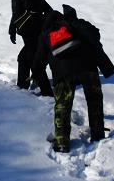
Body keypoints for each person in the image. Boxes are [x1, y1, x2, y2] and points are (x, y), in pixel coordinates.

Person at [31, 8, 107, 153]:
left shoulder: (46, 34)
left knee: (63, 106)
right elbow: (96, 34)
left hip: (63, 73)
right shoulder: (77, 25)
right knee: (94, 100)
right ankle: (98, 134)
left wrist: (36, 74)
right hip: (88, 67)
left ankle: (61, 142)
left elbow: (38, 61)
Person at [9, 0, 53, 97]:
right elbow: (50, 10)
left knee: (32, 61)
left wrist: (12, 30)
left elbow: (15, 13)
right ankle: (23, 86)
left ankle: (45, 92)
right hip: (42, 33)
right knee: (25, 58)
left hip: (28, 34)